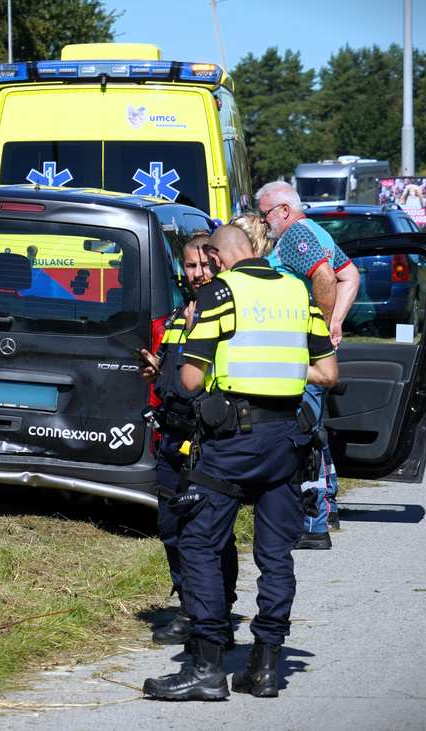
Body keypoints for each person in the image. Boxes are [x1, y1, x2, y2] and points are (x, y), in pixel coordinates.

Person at [143, 224, 338, 701]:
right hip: (286, 440)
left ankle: (207, 665)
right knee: (275, 555)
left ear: (218, 255)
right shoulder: (296, 291)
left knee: (200, 543)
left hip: (232, 441)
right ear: (254, 249)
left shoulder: (220, 293)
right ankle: (266, 664)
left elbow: (189, 379)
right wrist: (277, 370)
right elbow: (327, 372)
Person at [138, 234, 237, 647]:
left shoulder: (229, 313)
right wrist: (157, 373)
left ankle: (216, 612)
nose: (197, 274)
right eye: (190, 267)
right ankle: (188, 606)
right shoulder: (178, 316)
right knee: (171, 527)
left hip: (209, 442)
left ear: (217, 264)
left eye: (203, 266)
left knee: (211, 533)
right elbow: (177, 375)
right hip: (171, 437)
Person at [256, 181, 361, 549]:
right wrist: (334, 324)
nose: (263, 221)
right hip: (310, 349)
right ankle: (326, 504)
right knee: (315, 430)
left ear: (283, 210)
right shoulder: (316, 231)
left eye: (265, 213)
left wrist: (318, 329)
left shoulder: (296, 236)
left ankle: (311, 523)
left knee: (303, 436)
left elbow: (323, 276)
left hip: (301, 351)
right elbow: (350, 275)